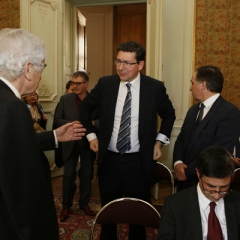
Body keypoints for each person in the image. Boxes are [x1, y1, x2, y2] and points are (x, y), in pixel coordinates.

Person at [80, 41, 176, 239]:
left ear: (140, 65)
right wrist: (91, 135)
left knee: (137, 216)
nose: (120, 67)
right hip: (109, 161)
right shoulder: (106, 84)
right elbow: (85, 108)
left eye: (127, 63)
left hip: (139, 162)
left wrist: (159, 141)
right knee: (108, 213)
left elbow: (169, 115)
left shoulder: (154, 88)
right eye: (118, 61)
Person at [0, 28, 86, 239]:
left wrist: (54, 136)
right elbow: (21, 190)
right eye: (43, 66)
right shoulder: (13, 107)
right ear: (28, 69)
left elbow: (9, 146)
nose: (41, 74)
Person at [173, 65, 240, 191]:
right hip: (184, 184)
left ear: (203, 85)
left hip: (208, 184)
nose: (190, 88)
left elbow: (218, 152)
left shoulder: (229, 112)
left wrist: (187, 172)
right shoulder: (193, 110)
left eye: (192, 83)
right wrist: (178, 163)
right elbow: (181, 139)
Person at [157, 146, 240, 240]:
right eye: (210, 187)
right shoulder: (174, 205)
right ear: (198, 173)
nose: (217, 195)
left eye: (224, 187)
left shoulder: (237, 202)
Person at [53, 71, 98, 221]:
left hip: (87, 143)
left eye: (78, 83)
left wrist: (93, 123)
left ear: (86, 84)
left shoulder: (95, 100)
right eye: (73, 83)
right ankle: (66, 206)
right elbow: (57, 120)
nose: (75, 86)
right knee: (68, 175)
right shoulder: (65, 99)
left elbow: (103, 120)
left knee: (86, 175)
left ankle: (84, 204)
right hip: (69, 142)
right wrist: (70, 124)